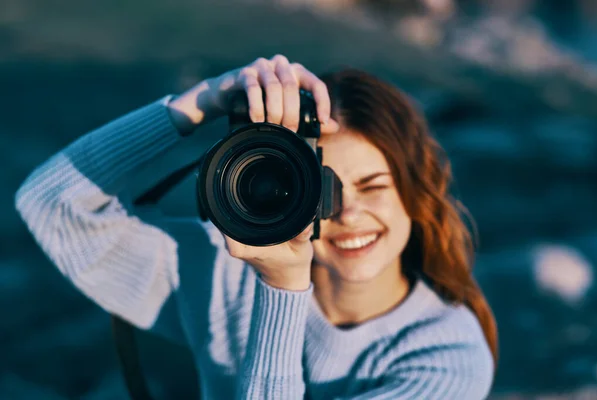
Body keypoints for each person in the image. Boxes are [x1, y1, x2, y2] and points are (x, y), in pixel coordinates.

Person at [15, 54, 498, 399]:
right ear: (291, 186)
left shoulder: (448, 357)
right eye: (323, 186)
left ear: (416, 194)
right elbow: (48, 205)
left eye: (374, 187)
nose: (348, 213)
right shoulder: (225, 271)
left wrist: (284, 289)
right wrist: (202, 102)